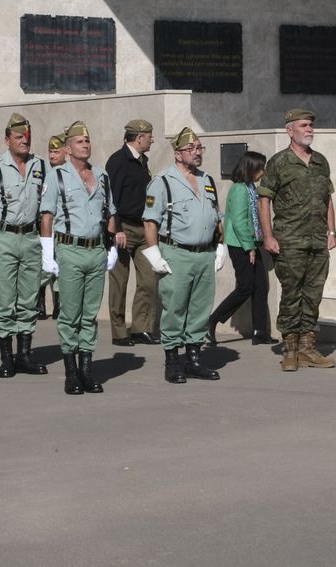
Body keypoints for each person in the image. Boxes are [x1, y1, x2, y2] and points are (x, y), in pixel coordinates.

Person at [39, 121, 116, 395]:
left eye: (88, 140)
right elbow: (47, 216)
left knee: (90, 314)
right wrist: (48, 253)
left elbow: (109, 213)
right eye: (80, 141)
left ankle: (86, 370)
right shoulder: (57, 176)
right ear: (68, 148)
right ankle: (71, 373)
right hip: (69, 249)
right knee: (70, 314)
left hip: (96, 250)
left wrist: (112, 246)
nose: (86, 144)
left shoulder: (102, 176)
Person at [143, 127, 224, 384]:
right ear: (178, 154)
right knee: (175, 308)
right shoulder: (163, 181)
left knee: (200, 308)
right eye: (191, 149)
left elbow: (216, 215)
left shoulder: (207, 180)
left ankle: (194, 358)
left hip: (204, 254)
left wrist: (220, 245)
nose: (197, 153)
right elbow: (150, 220)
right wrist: (154, 252)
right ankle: (172, 360)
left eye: (199, 148)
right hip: (177, 252)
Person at [0, 113, 49, 379]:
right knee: (5, 300)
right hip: (4, 237)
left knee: (29, 299)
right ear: (7, 140)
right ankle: (7, 358)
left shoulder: (40, 165)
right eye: (19, 137)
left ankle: (25, 355)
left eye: (27, 137)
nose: (24, 141)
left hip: (31, 238)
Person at [259, 109, 336, 371]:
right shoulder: (279, 162)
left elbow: (328, 198)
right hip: (289, 241)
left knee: (313, 295)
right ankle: (290, 349)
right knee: (292, 295)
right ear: (289, 130)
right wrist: (268, 236)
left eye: (311, 125)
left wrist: (332, 231)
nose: (309, 129)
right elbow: (264, 200)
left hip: (317, 241)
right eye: (304, 125)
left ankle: (307, 348)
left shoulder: (320, 162)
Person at [207, 150, 277, 347]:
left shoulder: (250, 187)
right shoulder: (239, 189)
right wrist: (249, 248)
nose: (263, 172)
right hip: (241, 245)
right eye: (260, 168)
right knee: (246, 287)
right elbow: (238, 222)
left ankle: (259, 331)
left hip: (252, 243)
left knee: (261, 288)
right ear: (251, 168)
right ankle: (213, 320)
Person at [105, 118, 160, 346]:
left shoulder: (142, 161)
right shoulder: (118, 161)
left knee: (149, 280)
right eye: (149, 136)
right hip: (123, 228)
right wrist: (116, 229)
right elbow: (111, 199)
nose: (152, 140)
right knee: (120, 282)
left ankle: (141, 328)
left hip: (143, 227)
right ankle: (119, 332)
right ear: (139, 138)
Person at [35, 133, 68, 320]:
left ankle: (58, 306)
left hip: (62, 226)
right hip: (46, 225)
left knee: (60, 270)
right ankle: (40, 305)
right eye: (50, 151)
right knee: (44, 267)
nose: (52, 155)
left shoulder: (70, 171)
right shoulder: (42, 169)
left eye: (56, 152)